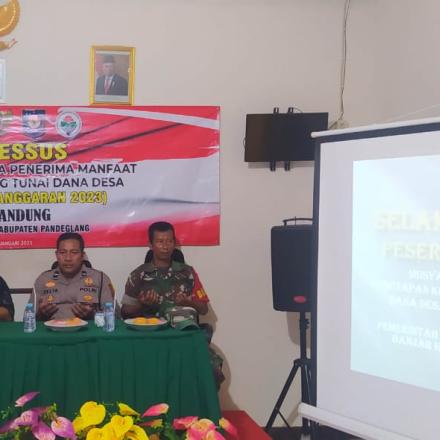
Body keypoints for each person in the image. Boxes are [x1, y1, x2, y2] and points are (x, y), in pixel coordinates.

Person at [121, 221, 225, 388]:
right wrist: (142, 304)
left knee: (210, 369)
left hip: (182, 336)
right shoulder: (138, 275)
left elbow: (203, 308)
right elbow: (125, 313)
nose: (165, 246)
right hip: (152, 338)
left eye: (169, 241)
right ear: (150, 245)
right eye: (160, 241)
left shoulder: (188, 272)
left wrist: (187, 301)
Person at [32, 232, 116, 321]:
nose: (68, 258)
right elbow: (27, 318)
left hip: (88, 329)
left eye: (74, 252)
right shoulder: (43, 279)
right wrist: (42, 314)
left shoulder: (100, 278)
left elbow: (115, 317)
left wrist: (91, 316)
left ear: (82, 255)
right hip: (52, 329)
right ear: (57, 255)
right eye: (62, 252)